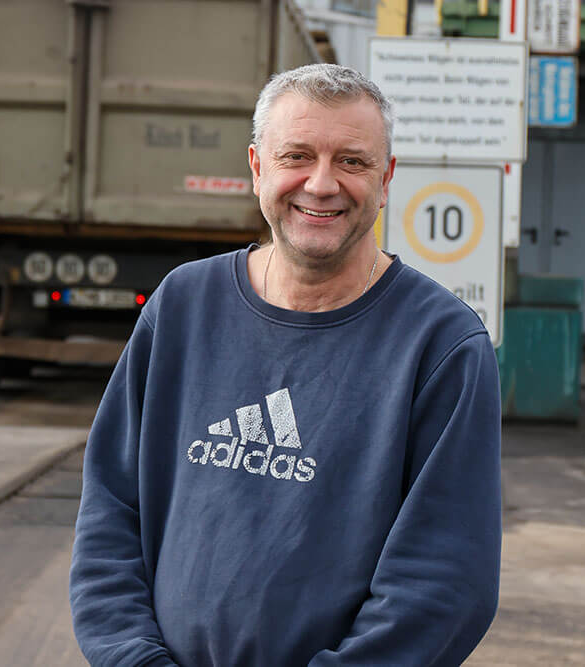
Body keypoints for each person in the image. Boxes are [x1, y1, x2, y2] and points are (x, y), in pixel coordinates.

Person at [70, 63, 502, 667]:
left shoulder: (442, 344)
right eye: (296, 155)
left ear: (387, 179)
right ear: (256, 168)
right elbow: (111, 510)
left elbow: (443, 584)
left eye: (352, 161)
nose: (321, 184)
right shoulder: (183, 306)